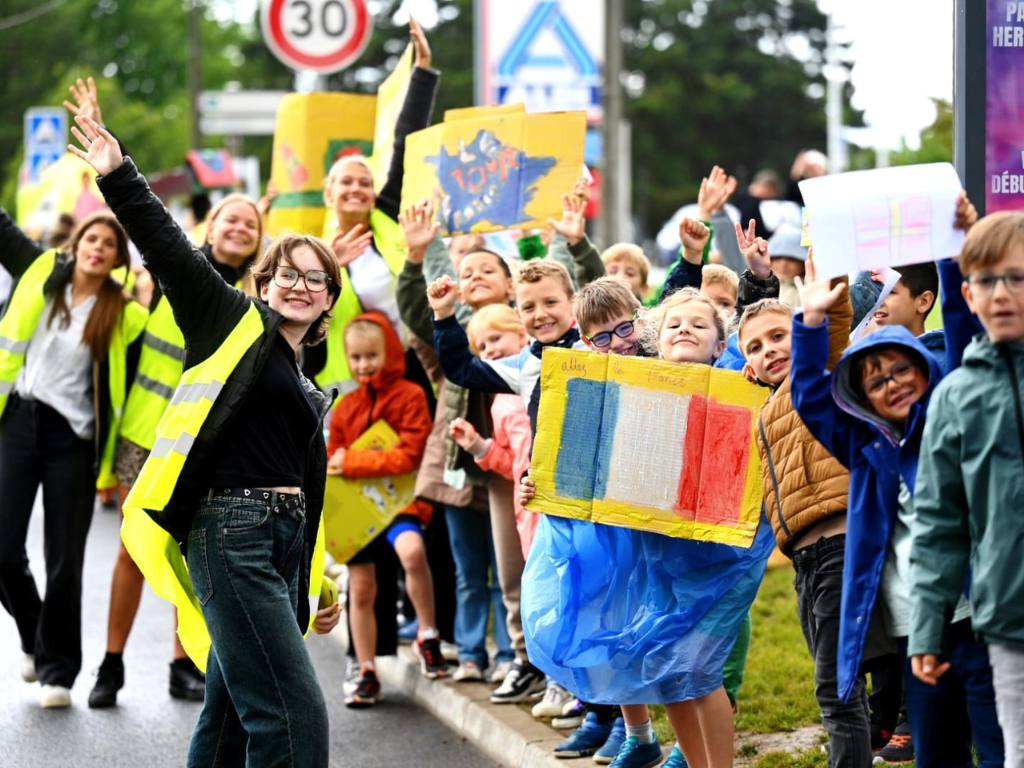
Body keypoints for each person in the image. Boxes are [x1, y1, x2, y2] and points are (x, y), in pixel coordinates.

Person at [71, 115, 342, 765]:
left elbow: (305, 487)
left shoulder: (305, 378)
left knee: (226, 718)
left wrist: (320, 585)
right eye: (287, 273)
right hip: (232, 531)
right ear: (264, 283)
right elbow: (167, 248)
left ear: (331, 299)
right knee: (292, 713)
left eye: (315, 277)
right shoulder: (229, 321)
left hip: (281, 539)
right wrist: (118, 170)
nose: (299, 284)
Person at [89, 190, 265, 708]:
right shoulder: (176, 273)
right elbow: (150, 224)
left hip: (201, 444)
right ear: (211, 225)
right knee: (131, 550)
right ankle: (111, 663)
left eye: (250, 224)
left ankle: (181, 663)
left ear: (259, 240)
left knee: (187, 555)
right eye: (231, 218)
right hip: (145, 438)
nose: (239, 228)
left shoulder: (257, 299)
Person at [0, 204, 148, 709]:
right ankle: (34, 635)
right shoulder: (40, 271)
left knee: (66, 562)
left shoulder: (126, 314)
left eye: (109, 244)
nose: (98, 248)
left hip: (74, 440)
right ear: (77, 242)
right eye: (92, 239)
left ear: (117, 259)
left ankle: (57, 672)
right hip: (18, 420)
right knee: (3, 549)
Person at [909, 211, 1024, 767]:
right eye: (986, 280)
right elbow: (939, 524)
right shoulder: (955, 396)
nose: (1001, 293)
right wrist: (928, 627)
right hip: (1007, 621)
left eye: (1017, 278)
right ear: (967, 293)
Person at [309, 18, 439, 398]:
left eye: (365, 182)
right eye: (346, 182)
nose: (357, 188)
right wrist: (329, 262)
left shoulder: (388, 214)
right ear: (328, 192)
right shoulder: (310, 250)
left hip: (415, 365)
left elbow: (407, 141)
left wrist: (423, 73)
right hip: (353, 385)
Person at [326, 312, 446, 708]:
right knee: (360, 587)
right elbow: (333, 460)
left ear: (389, 352)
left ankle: (428, 635)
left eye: (371, 356)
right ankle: (365, 669)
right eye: (356, 358)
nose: (363, 365)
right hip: (360, 513)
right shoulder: (345, 408)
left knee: (412, 553)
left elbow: (410, 455)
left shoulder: (411, 395)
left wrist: (354, 463)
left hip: (401, 503)